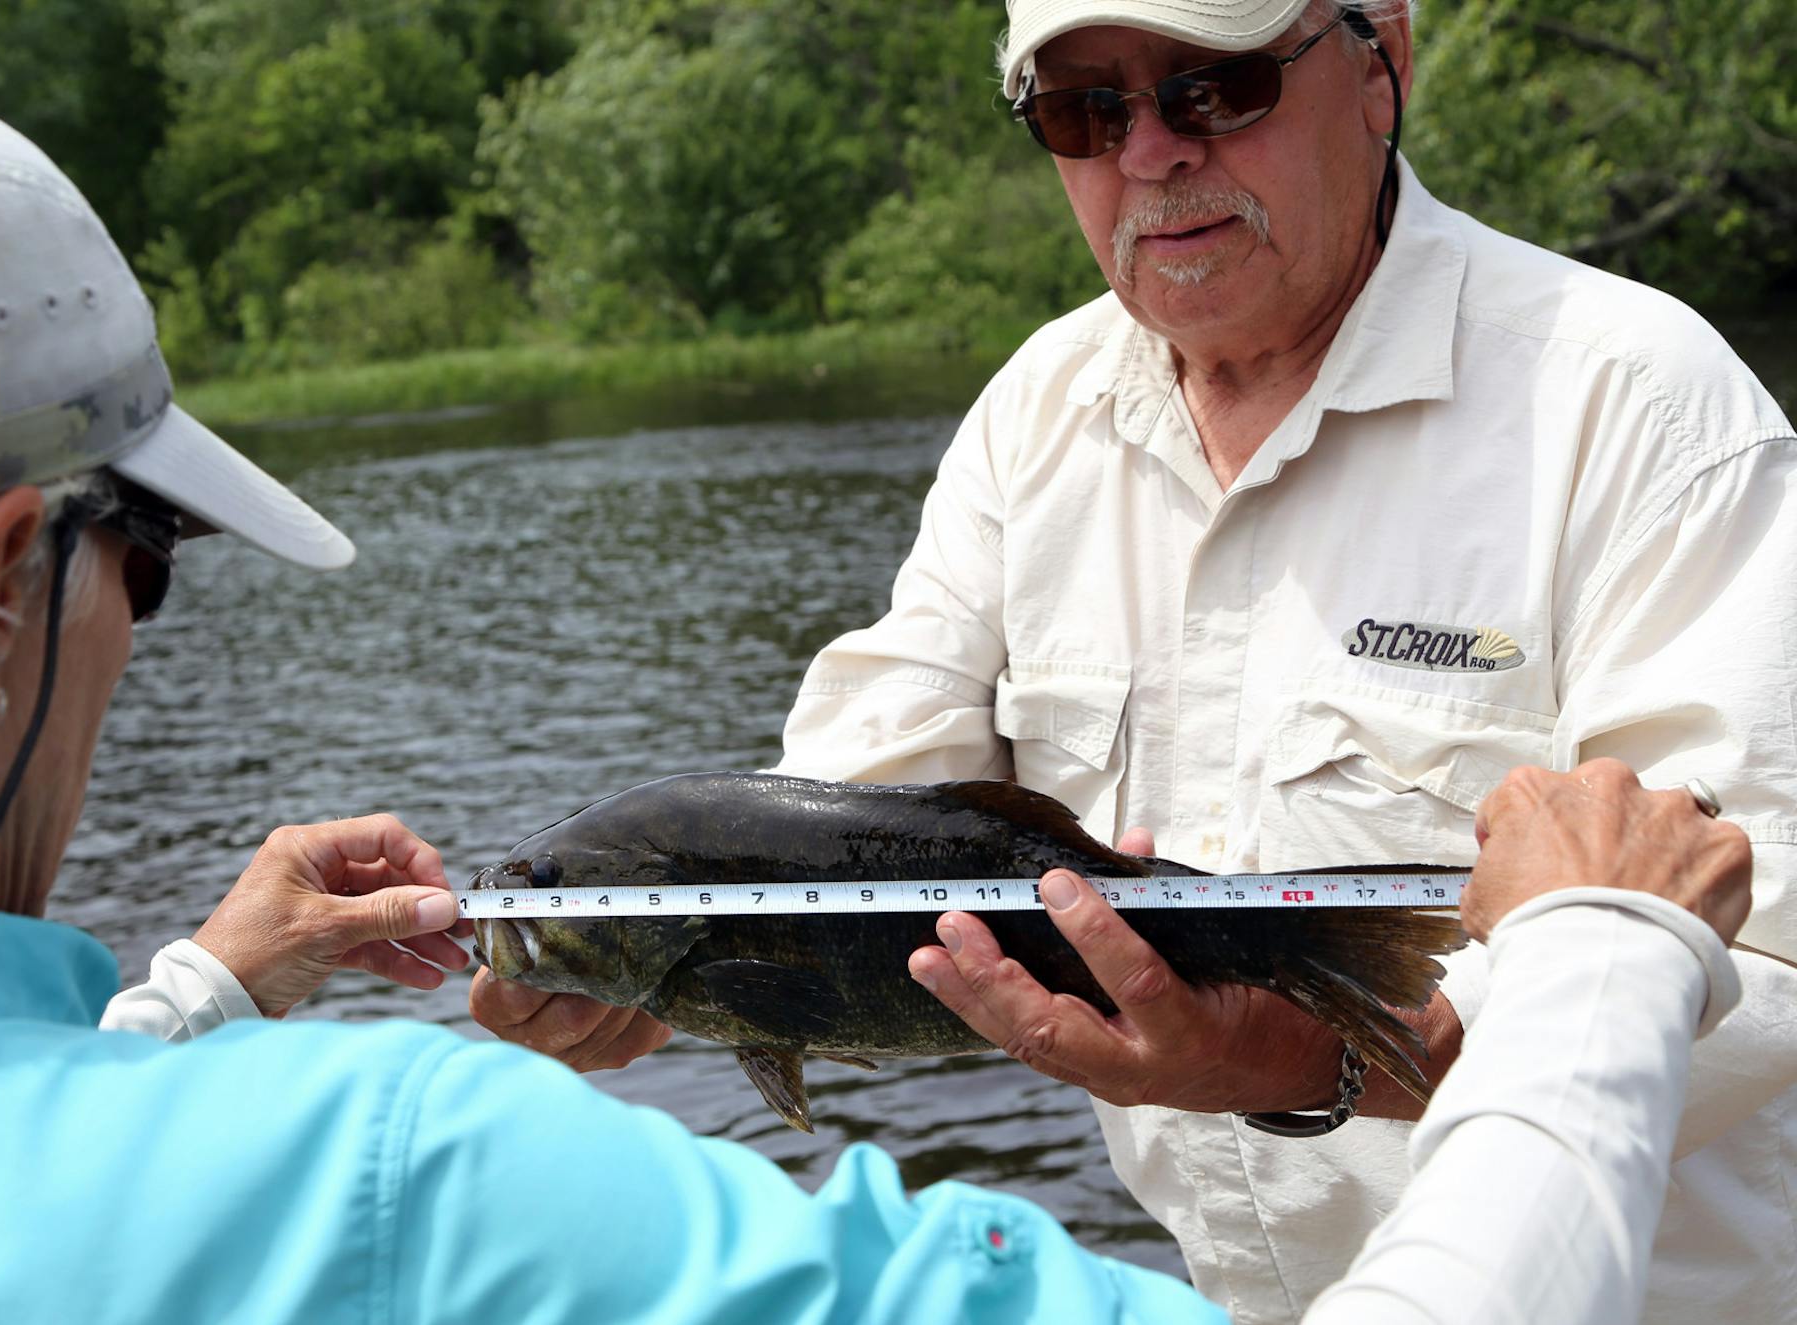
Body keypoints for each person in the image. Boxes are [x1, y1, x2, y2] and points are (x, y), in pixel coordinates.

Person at [0, 51, 1215, 1325]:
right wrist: (1473, 1060)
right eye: (147, 548)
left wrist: (198, 998)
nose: (134, 613)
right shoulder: (406, 1178)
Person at [472, 1, 1797, 1321]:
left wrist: (1324, 1058)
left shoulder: (1642, 406)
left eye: (1216, 88)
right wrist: (662, 965)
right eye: (1084, 110)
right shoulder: (1036, 415)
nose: (1151, 153)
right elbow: (854, 791)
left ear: (1380, 58)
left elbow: (1771, 969)